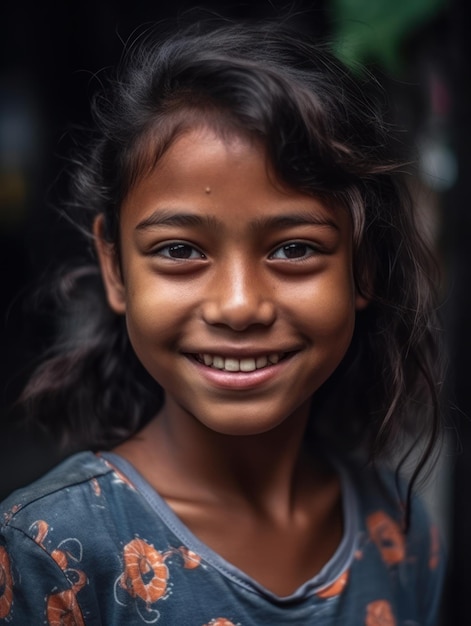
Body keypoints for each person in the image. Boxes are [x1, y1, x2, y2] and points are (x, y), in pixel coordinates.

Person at [0, 19, 445, 625]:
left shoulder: (399, 528)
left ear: (363, 268)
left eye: (293, 249)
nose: (238, 306)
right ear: (115, 267)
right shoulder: (53, 552)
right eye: (180, 250)